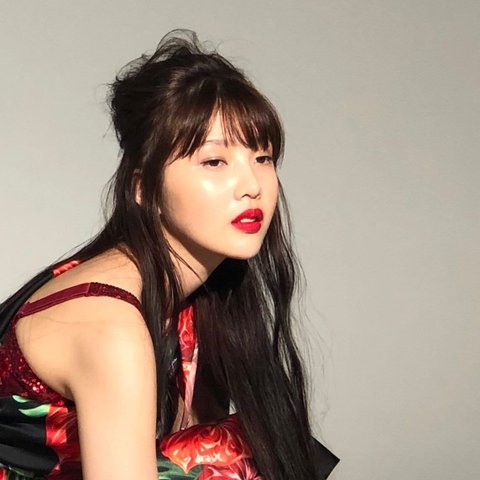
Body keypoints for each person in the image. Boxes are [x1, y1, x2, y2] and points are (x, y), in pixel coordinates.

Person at [0, 30, 339, 480]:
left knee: (254, 443)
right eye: (214, 162)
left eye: (263, 157)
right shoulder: (109, 325)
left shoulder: (196, 302)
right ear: (144, 187)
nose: (252, 186)